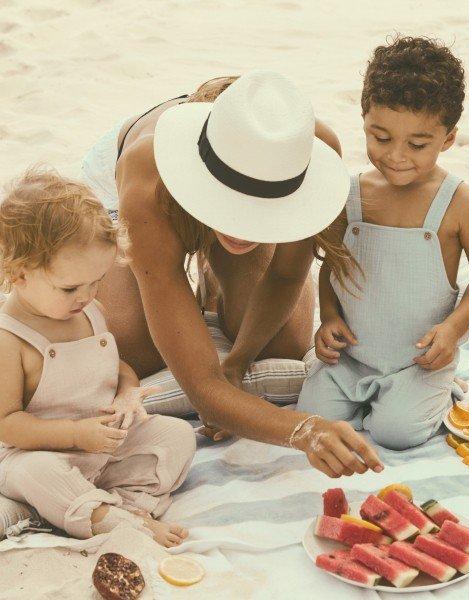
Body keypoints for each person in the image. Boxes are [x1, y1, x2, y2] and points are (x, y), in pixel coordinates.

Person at [82, 71, 382, 478]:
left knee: (283, 344)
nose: (240, 229)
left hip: (234, 169)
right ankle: (199, 259)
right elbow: (203, 389)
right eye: (230, 208)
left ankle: (214, 272)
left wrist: (237, 362)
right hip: (137, 193)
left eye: (254, 214)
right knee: (134, 345)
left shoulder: (314, 151)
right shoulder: (145, 171)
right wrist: (305, 430)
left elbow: (284, 277)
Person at [297, 37, 469, 450]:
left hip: (418, 362)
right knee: (311, 417)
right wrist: (330, 318)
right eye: (381, 137)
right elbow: (333, 267)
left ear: (448, 138)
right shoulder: (349, 194)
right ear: (364, 121)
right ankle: (368, 395)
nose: (397, 156)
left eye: (418, 144)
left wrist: (453, 329)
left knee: (398, 433)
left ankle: (443, 389)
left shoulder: (460, 203)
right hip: (351, 360)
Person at [0, 168, 195, 546]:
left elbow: (116, 368)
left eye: (96, 281)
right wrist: (75, 435)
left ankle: (115, 502)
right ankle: (116, 518)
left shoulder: (86, 310)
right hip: (36, 453)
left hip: (100, 448)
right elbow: (7, 424)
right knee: (38, 473)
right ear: (20, 275)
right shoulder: (10, 339)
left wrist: (127, 394)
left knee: (179, 436)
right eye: (71, 286)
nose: (86, 295)